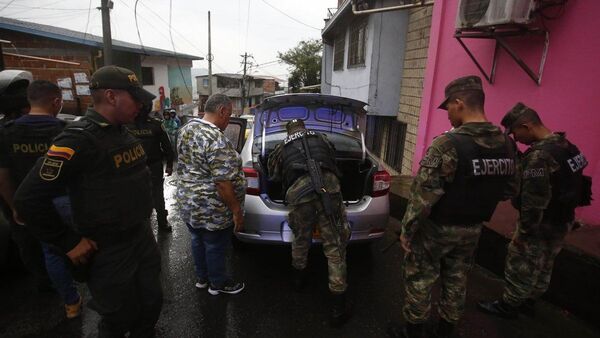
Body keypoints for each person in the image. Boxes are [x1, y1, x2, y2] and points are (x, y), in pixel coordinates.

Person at [14, 66, 163, 337]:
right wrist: (67, 241)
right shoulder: (79, 138)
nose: (141, 104)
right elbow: (28, 198)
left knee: (150, 303)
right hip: (109, 248)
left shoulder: (121, 131)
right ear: (111, 96)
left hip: (140, 237)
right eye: (135, 97)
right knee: (117, 316)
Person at [388, 75, 518, 338]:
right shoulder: (507, 144)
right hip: (472, 228)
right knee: (457, 278)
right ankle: (446, 330)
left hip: (437, 228)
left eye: (448, 107)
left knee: (420, 278)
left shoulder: (449, 144)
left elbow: (423, 196)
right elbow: (511, 189)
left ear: (459, 103)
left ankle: (413, 331)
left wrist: (407, 230)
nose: (447, 114)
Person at [478, 103, 590, 319]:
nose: (516, 139)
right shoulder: (566, 145)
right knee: (545, 263)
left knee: (520, 263)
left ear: (527, 126)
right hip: (563, 219)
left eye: (516, 133)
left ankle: (508, 306)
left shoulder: (540, 157)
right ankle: (529, 301)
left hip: (541, 223)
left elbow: (533, 200)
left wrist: (524, 232)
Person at [0, 80, 82, 318]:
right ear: (56, 102)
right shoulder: (64, 131)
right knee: (70, 246)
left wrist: (16, 206)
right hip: (63, 202)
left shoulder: (6, 133)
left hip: (27, 207)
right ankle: (81, 298)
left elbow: (3, 177)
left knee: (48, 253)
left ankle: (65, 299)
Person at [267, 119, 351, 327]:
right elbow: (334, 160)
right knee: (335, 248)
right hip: (329, 190)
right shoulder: (321, 137)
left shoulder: (282, 146)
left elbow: (273, 175)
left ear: (289, 132)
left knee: (301, 239)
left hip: (300, 194)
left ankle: (298, 280)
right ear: (304, 128)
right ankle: (337, 308)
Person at [176, 93, 245, 296]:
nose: (228, 120)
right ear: (222, 111)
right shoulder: (216, 138)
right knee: (215, 245)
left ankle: (202, 279)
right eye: (229, 114)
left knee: (198, 240)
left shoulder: (185, 129)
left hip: (188, 202)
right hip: (210, 207)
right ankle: (218, 284)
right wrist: (236, 210)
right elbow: (222, 183)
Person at [127, 101, 175, 232]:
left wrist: (170, 165)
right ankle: (153, 224)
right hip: (138, 167)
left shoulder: (127, 124)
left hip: (148, 167)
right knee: (149, 195)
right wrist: (169, 165)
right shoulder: (125, 124)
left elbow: (167, 147)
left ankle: (158, 222)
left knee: (155, 195)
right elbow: (167, 148)